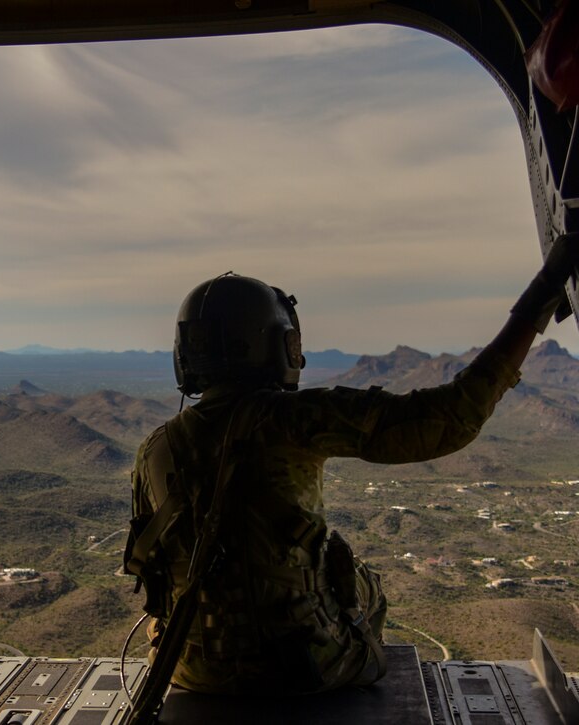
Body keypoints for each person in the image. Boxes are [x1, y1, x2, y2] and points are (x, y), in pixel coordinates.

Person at [125, 233, 579, 696]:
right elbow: (449, 419)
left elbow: (152, 571)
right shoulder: (291, 419)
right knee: (360, 581)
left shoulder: (154, 448)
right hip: (300, 667)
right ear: (275, 346)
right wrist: (539, 299)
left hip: (190, 669)